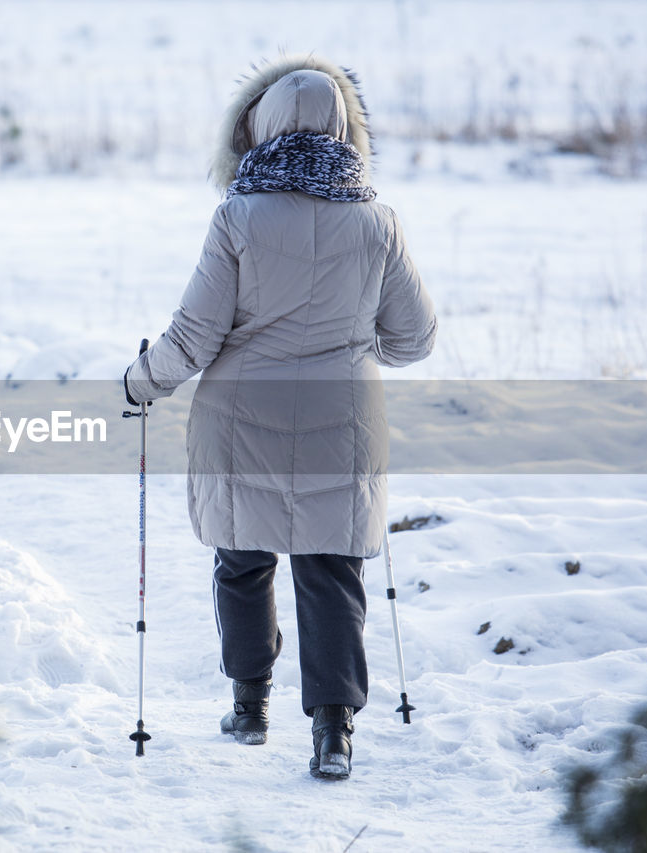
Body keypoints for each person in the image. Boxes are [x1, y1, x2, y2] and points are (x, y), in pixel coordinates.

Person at [123, 54, 437, 779]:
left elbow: (195, 336)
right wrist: (359, 344)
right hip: (344, 418)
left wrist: (142, 381)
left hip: (241, 416)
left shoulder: (237, 215)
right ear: (343, 127)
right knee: (332, 568)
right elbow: (415, 338)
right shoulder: (377, 222)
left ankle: (251, 704)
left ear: (257, 128)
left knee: (242, 557)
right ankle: (334, 731)